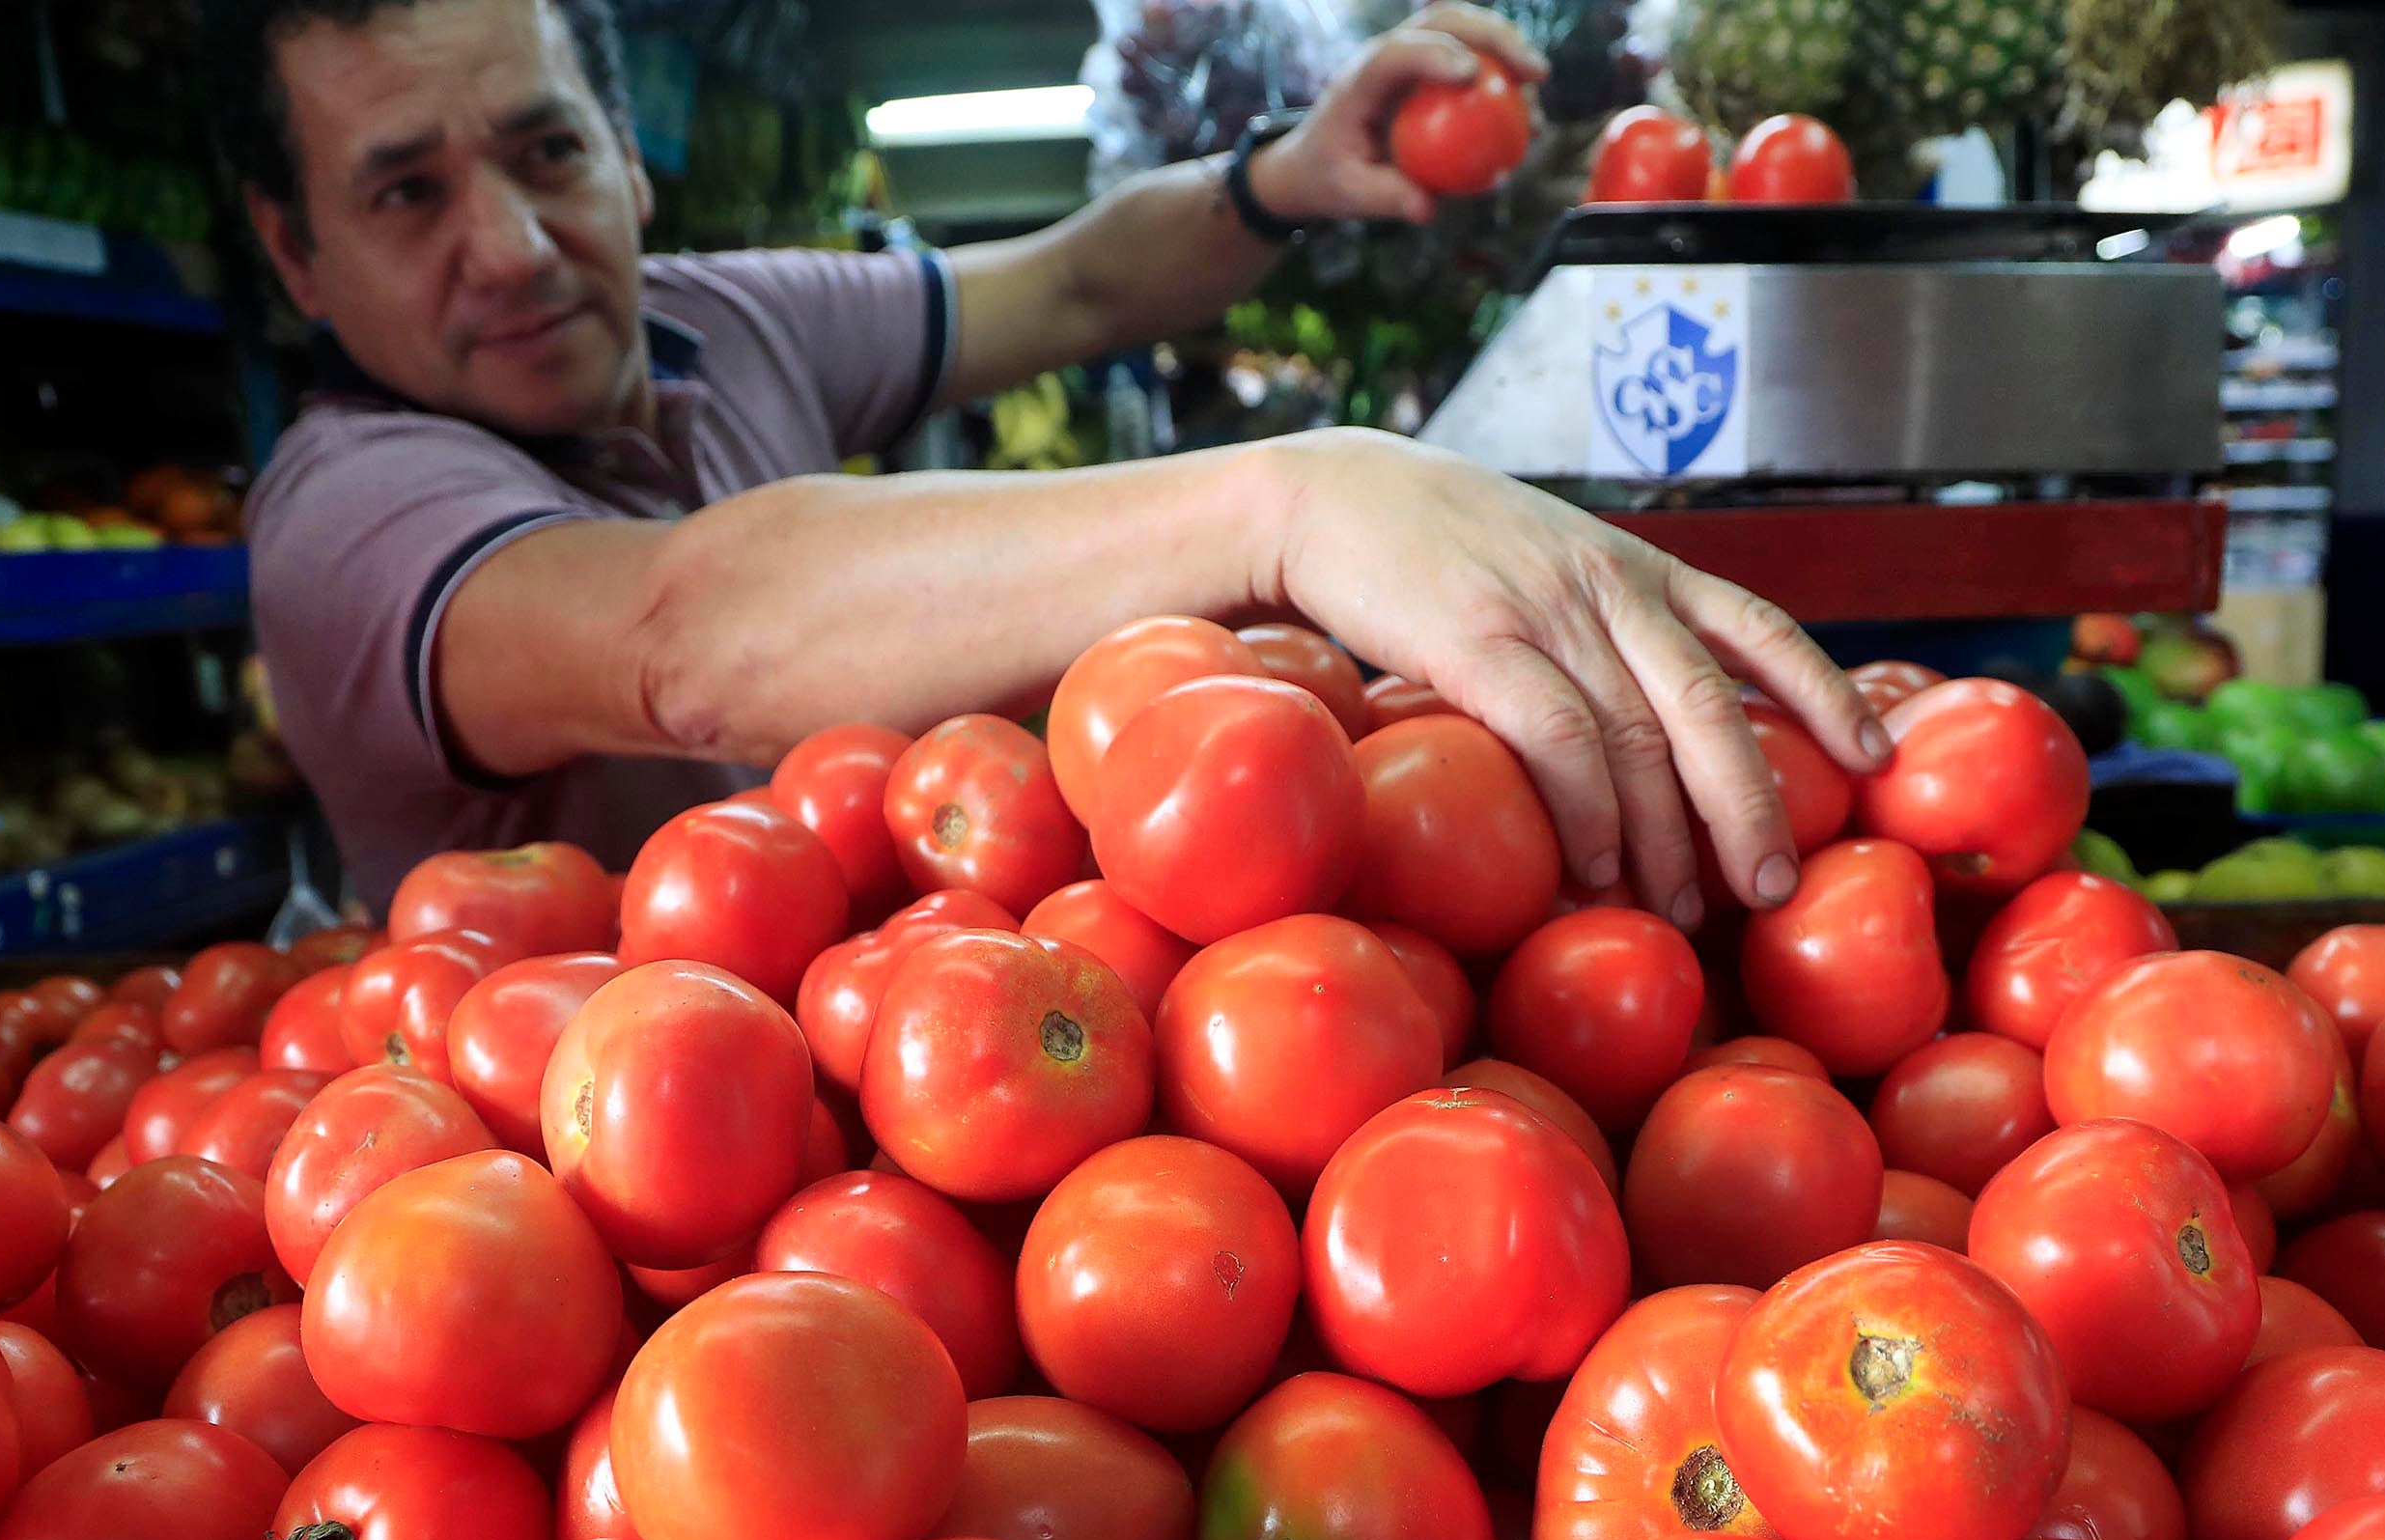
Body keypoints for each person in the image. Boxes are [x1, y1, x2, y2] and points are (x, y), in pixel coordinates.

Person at [210, 0, 1889, 924]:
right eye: (406, 192)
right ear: (297, 257)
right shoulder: (351, 506)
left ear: (631, 168)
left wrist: (1282, 181)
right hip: (578, 1221)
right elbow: (678, 640)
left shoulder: (722, 324)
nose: (507, 247)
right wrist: (1293, 495)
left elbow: (1077, 275)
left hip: (939, 1081)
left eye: (544, 149)